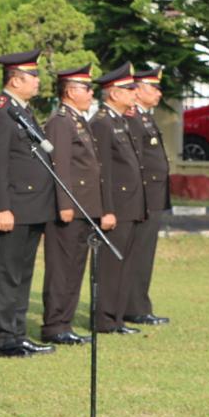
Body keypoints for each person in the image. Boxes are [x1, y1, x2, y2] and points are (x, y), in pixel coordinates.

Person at [0, 51, 56, 358]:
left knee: (23, 273)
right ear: (15, 79)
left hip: (33, 207)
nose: (39, 81)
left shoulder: (22, 111)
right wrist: (3, 207)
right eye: (33, 76)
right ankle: (3, 337)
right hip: (13, 207)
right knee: (7, 273)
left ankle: (18, 332)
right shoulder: (1, 111)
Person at [40, 64, 104, 346]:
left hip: (85, 208)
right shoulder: (60, 121)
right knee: (62, 268)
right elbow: (60, 167)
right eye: (86, 88)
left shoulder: (79, 120)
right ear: (70, 91)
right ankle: (54, 324)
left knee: (76, 266)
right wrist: (65, 204)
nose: (91, 93)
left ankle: (64, 322)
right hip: (70, 208)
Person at [89, 64, 145, 335]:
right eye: (129, 88)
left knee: (125, 263)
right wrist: (106, 209)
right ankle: (104, 318)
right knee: (111, 266)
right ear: (113, 93)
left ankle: (117, 318)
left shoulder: (121, 120)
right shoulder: (101, 123)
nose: (135, 92)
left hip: (131, 206)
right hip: (116, 207)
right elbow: (104, 172)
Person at [125, 66, 171, 326]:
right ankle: (135, 307)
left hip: (153, 196)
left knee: (144, 254)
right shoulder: (132, 118)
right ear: (138, 89)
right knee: (138, 254)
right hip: (142, 197)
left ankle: (138, 304)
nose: (158, 92)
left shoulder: (144, 117)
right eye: (152, 87)